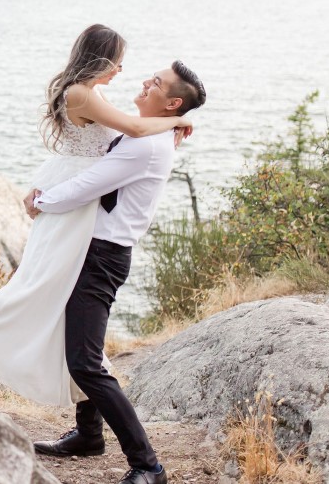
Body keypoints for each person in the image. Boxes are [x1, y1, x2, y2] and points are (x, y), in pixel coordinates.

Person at [0, 24, 192, 410]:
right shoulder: (81, 94)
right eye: (118, 62)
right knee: (39, 286)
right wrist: (176, 121)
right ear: (100, 59)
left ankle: (88, 434)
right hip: (76, 197)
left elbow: (128, 134)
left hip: (79, 195)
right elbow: (136, 128)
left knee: (63, 313)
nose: (122, 71)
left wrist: (174, 121)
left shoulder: (91, 92)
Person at [28, 60, 207, 484]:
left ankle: (148, 466)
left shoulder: (147, 144)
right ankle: (89, 435)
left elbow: (90, 184)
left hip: (102, 255)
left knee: (85, 363)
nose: (146, 82)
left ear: (173, 102)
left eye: (157, 83)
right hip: (97, 248)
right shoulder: (147, 131)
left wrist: (41, 201)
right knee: (86, 346)